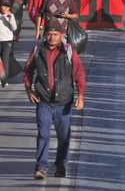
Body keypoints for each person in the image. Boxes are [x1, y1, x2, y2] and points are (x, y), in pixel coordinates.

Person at [23, 21, 86, 179]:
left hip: (64, 102)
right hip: (43, 101)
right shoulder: (38, 50)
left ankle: (60, 165)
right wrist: (29, 90)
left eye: (56, 34)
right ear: (45, 34)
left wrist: (81, 95)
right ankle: (41, 167)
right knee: (43, 133)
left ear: (62, 35)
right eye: (49, 34)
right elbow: (28, 71)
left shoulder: (69, 52)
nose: (52, 37)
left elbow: (79, 74)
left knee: (64, 136)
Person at [0, 0, 18, 87]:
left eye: (7, 7)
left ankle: (4, 79)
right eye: (4, 6)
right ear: (0, 6)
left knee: (5, 59)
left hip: (8, 40)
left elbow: (14, 28)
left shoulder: (11, 16)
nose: (5, 8)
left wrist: (10, 18)